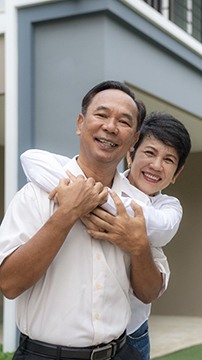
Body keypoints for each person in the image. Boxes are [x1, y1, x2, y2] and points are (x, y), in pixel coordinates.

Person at [0, 80, 170, 360]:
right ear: (81, 123)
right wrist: (66, 214)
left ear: (133, 140)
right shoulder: (35, 195)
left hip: (120, 352)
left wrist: (138, 247)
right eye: (101, 115)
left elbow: (149, 293)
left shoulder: (139, 207)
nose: (111, 127)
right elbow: (9, 283)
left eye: (124, 121)